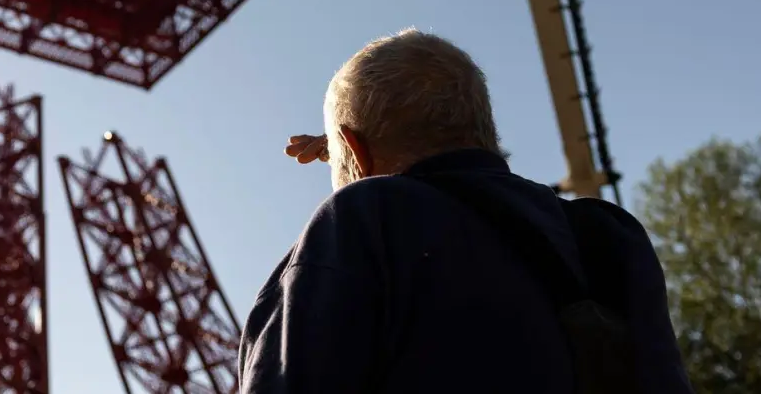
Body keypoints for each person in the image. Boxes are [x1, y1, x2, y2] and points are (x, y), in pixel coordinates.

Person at [240, 28, 693, 394]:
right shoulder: (607, 234)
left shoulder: (362, 218)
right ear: (484, 127)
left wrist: (358, 173)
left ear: (356, 154)